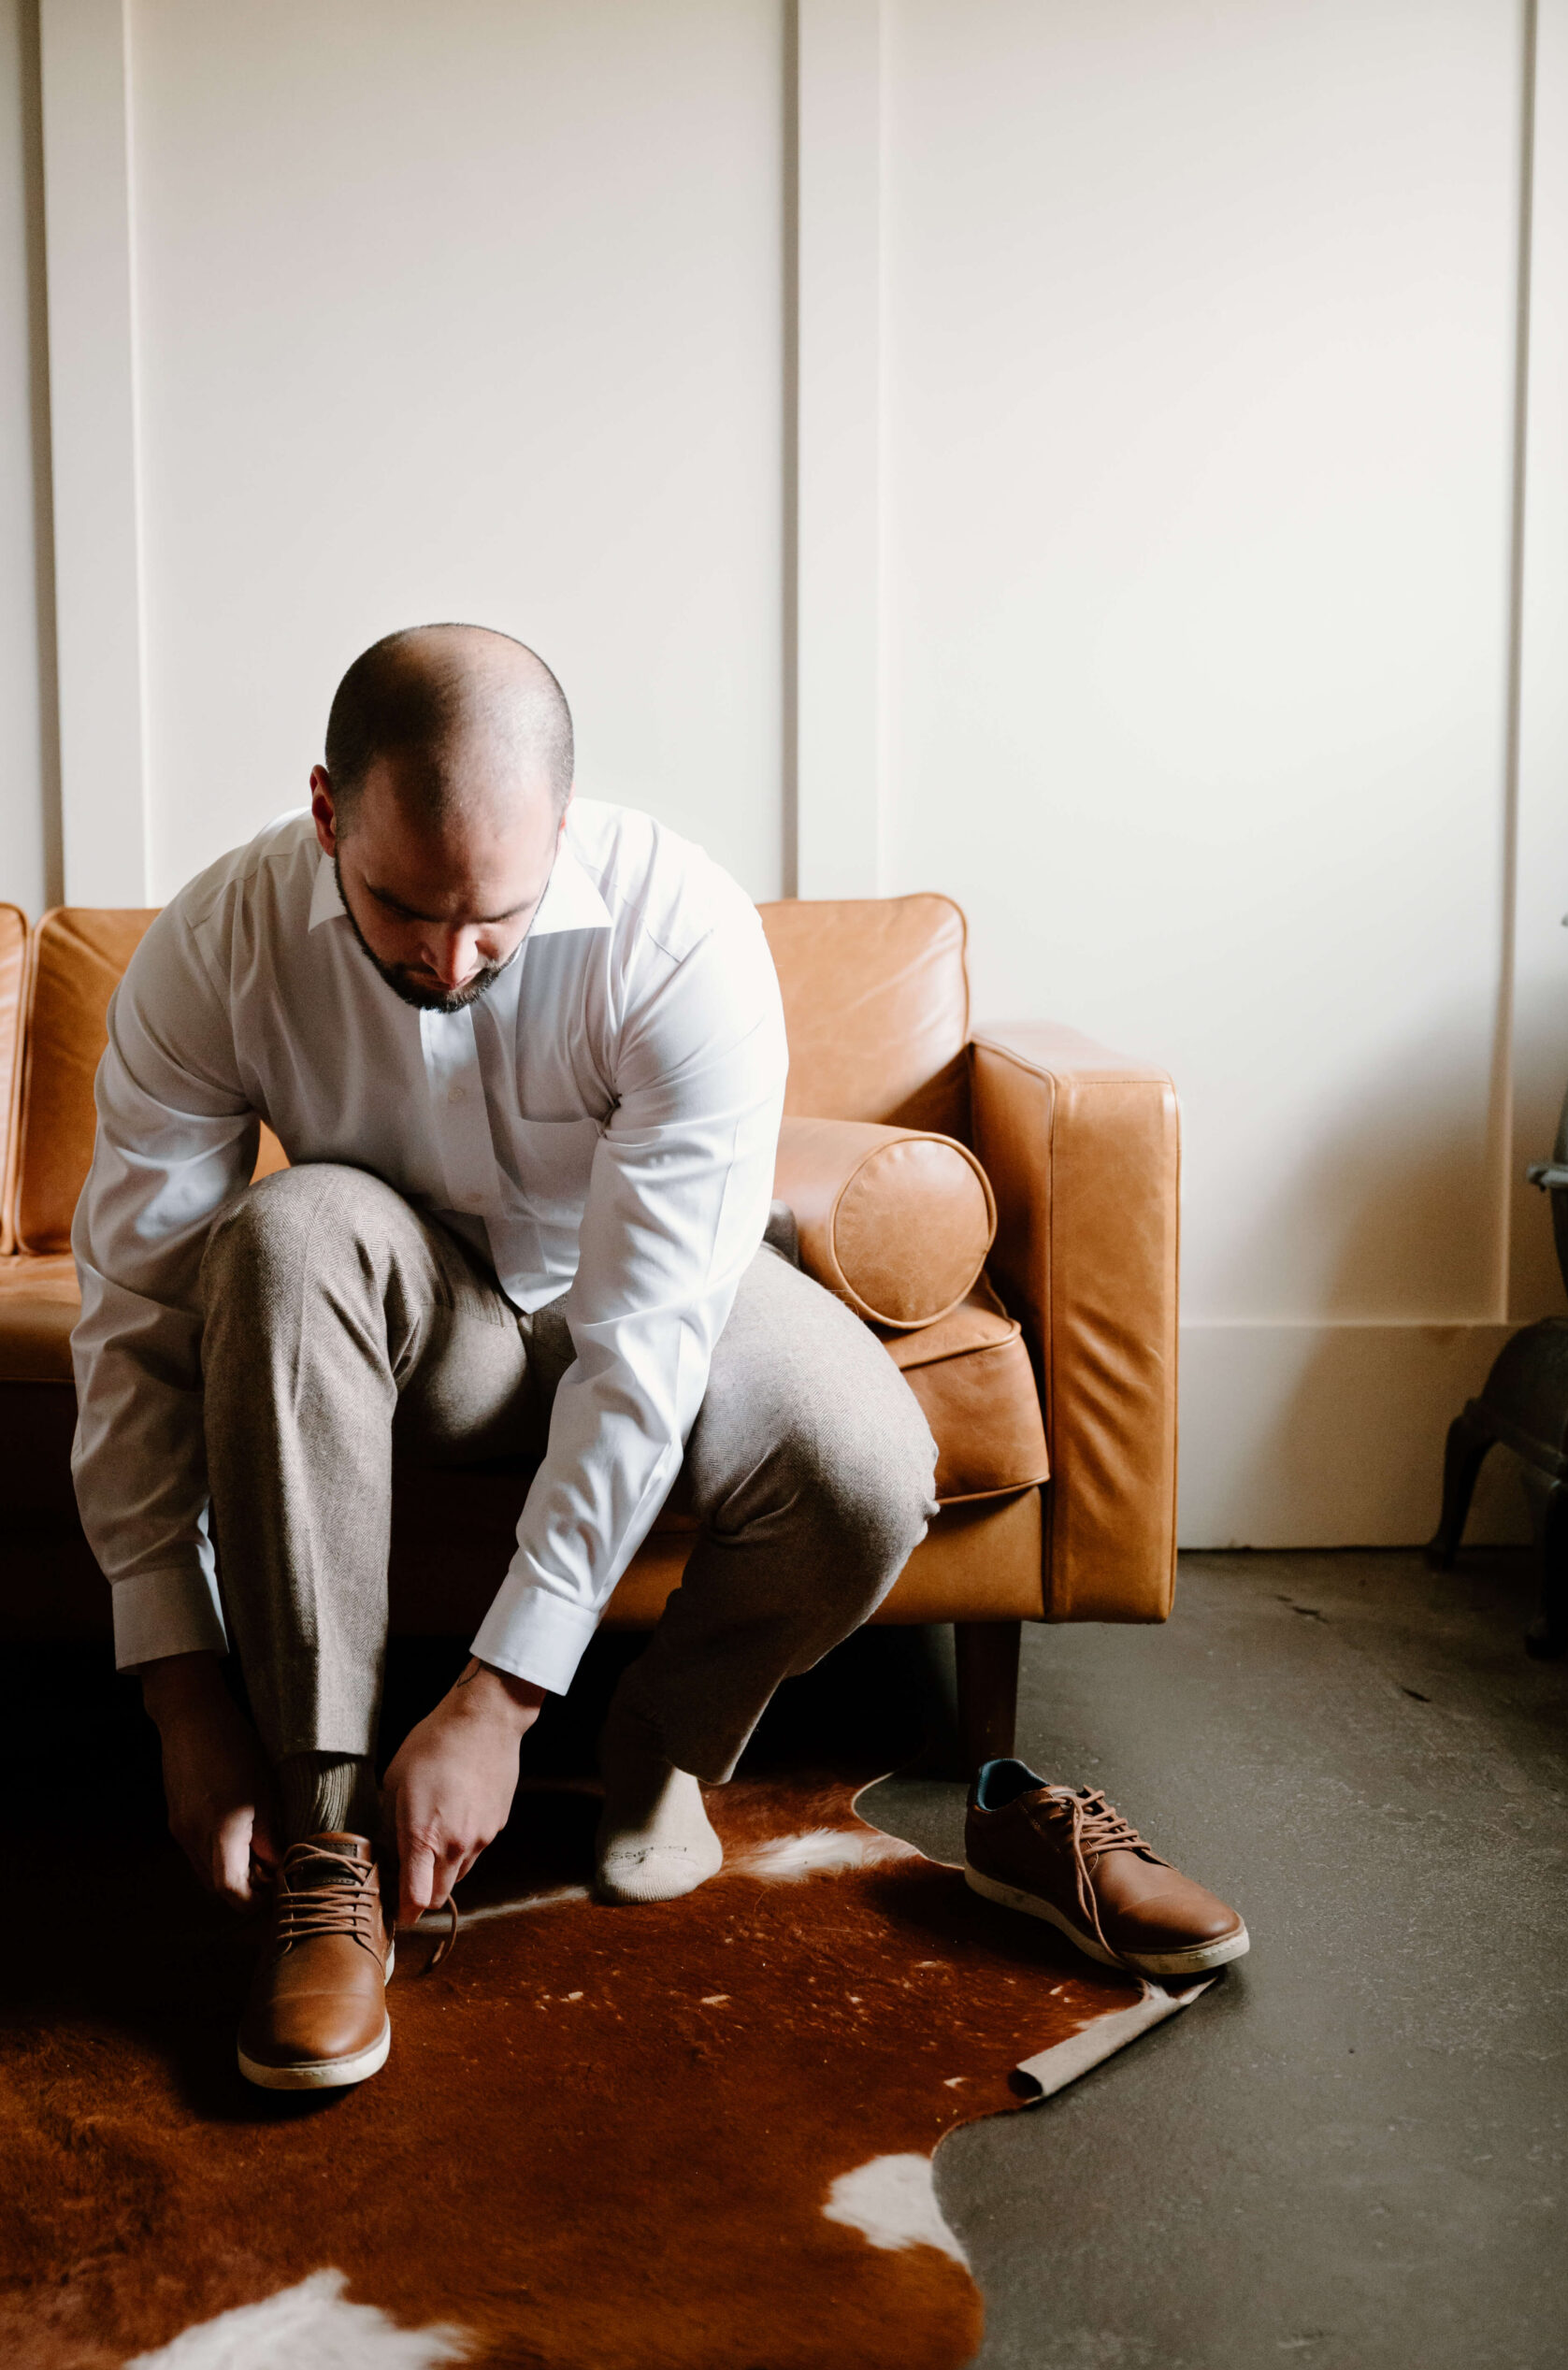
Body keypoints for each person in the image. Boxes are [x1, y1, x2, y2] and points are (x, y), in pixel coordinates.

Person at [71, 623, 940, 2090]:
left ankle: (654, 1743)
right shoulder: (215, 945)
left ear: (565, 830)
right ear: (327, 812)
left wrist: (502, 1700)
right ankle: (326, 1845)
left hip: (668, 1286)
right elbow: (142, 1309)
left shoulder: (682, 938)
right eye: (405, 912)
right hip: (423, 1313)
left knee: (868, 1471)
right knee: (280, 1240)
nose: (453, 963)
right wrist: (180, 1693)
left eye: (502, 922)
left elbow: (647, 1339)